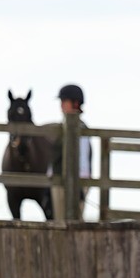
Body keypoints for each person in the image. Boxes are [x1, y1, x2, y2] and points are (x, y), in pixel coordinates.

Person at [48, 84, 94, 213]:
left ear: (75, 103)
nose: (61, 105)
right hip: (59, 181)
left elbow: (83, 159)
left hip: (74, 182)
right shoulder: (62, 127)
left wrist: (78, 185)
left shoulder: (81, 128)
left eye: (64, 101)